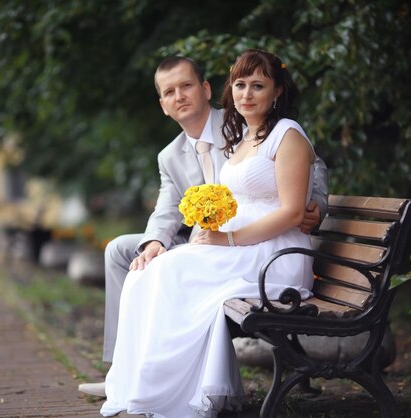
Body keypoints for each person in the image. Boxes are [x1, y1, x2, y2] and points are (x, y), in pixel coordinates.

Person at [78, 54, 328, 400]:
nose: (179, 96)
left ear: (206, 89)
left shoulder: (243, 117)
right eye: (169, 92)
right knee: (126, 252)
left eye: (186, 86)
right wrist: (153, 241)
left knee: (165, 272)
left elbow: (310, 164)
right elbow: (166, 207)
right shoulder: (170, 155)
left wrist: (317, 205)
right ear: (163, 104)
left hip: (255, 242)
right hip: (211, 238)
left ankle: (171, 380)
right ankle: (125, 368)